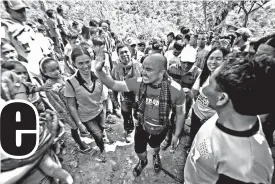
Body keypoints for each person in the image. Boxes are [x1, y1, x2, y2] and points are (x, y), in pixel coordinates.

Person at [184, 53, 274, 184]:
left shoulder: (247, 169)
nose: (204, 89)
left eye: (210, 84)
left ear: (222, 98)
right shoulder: (232, 114)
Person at [95, 52, 186, 177]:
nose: (143, 72)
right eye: (143, 68)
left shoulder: (176, 89)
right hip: (142, 126)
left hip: (161, 128)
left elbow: (181, 113)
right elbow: (114, 84)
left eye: (148, 69)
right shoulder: (139, 82)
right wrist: (99, 70)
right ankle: (143, 161)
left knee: (155, 145)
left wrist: (176, 135)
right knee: (139, 150)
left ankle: (155, 155)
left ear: (162, 72)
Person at [39, 57, 93, 153]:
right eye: (52, 70)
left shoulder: (63, 77)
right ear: (45, 73)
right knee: (74, 127)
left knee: (83, 122)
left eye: (57, 68)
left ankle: (85, 132)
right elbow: (58, 105)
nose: (57, 71)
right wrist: (68, 117)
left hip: (78, 106)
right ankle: (80, 144)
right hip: (68, 112)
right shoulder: (50, 88)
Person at [64, 46, 106, 162]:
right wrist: (79, 123)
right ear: (74, 64)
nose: (85, 66)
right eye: (80, 63)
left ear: (91, 60)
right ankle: (102, 150)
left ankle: (102, 140)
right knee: (97, 135)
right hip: (87, 117)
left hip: (100, 111)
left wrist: (105, 111)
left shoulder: (98, 76)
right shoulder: (70, 82)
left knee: (101, 131)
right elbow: (71, 105)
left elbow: (104, 95)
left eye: (87, 62)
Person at [188, 47, 229, 151]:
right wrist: (186, 93)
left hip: (211, 121)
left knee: (206, 144)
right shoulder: (204, 74)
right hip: (196, 113)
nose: (213, 62)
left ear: (226, 61)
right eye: (211, 58)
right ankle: (191, 150)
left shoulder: (228, 83)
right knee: (193, 136)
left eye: (218, 59)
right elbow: (194, 93)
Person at [1, 0, 45, 78]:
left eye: (23, 10)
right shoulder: (6, 29)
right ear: (8, 11)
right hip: (26, 72)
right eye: (18, 11)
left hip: (41, 68)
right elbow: (5, 54)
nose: (23, 13)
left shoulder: (26, 27)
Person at [111, 43, 142, 142]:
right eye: (121, 53)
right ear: (118, 55)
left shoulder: (139, 66)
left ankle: (141, 130)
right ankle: (129, 130)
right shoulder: (116, 69)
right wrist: (115, 100)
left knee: (140, 114)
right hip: (125, 97)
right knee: (126, 114)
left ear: (130, 52)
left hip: (139, 96)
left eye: (126, 52)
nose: (124, 54)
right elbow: (114, 85)